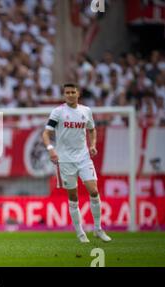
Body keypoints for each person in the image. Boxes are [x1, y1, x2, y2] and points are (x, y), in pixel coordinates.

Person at [42, 83, 112, 243]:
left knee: (93, 190)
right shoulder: (58, 112)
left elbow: (92, 129)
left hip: (83, 157)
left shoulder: (86, 111)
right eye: (67, 92)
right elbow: (46, 133)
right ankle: (80, 232)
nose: (70, 95)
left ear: (78, 93)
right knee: (73, 196)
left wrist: (93, 145)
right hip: (65, 160)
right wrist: (50, 148)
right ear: (64, 94)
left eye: (73, 92)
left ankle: (98, 228)